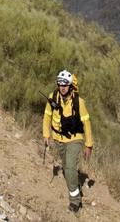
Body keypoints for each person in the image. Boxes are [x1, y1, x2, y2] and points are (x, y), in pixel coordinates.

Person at [43, 69, 93, 213]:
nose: (62, 87)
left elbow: (87, 123)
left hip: (74, 139)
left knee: (70, 167)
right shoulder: (53, 97)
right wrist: (46, 134)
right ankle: (74, 182)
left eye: (65, 84)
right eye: (60, 84)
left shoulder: (79, 102)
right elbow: (47, 116)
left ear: (70, 86)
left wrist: (89, 145)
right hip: (58, 139)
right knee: (66, 167)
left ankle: (75, 200)